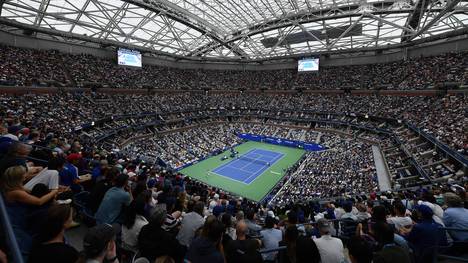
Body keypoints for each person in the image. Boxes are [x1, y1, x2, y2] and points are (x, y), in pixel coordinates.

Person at [1, 165, 57, 255]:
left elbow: (29, 192)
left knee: (40, 188)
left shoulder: (14, 186)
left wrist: (47, 192)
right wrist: (54, 191)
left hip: (20, 213)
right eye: (24, 174)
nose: (26, 175)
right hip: (17, 220)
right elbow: (39, 202)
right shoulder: (17, 192)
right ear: (19, 177)